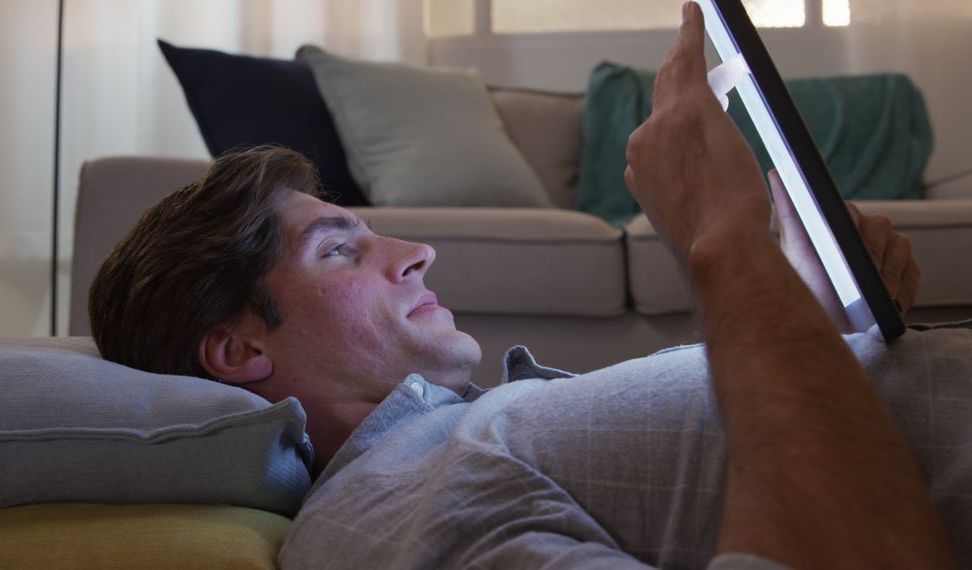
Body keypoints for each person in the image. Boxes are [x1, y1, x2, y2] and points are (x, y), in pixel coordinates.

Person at [89, 4, 965, 568]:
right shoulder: (385, 511)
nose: (417, 250)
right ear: (240, 349)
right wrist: (724, 243)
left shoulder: (464, 437)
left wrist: (805, 318)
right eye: (337, 250)